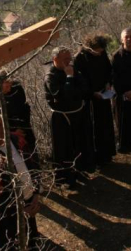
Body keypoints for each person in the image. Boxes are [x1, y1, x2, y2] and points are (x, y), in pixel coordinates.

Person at [0, 109, 41, 249]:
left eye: (4, 123)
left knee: (33, 243)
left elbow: (32, 165)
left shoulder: (17, 140)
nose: (3, 128)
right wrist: (21, 212)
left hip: (29, 205)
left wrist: (36, 194)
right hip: (8, 219)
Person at [44, 47, 92, 187]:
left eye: (69, 58)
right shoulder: (50, 76)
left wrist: (71, 90)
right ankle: (67, 178)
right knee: (64, 149)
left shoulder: (72, 68)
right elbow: (60, 95)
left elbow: (84, 89)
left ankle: (79, 172)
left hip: (77, 114)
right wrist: (70, 79)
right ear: (55, 59)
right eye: (65, 59)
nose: (69, 61)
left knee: (78, 144)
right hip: (61, 118)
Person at [74, 34, 116, 165]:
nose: (99, 54)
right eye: (97, 52)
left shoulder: (102, 54)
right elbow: (80, 81)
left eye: (101, 52)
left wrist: (108, 83)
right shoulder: (80, 58)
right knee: (93, 128)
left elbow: (109, 70)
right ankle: (96, 157)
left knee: (106, 126)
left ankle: (107, 154)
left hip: (103, 95)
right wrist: (92, 93)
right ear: (90, 48)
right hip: (90, 99)